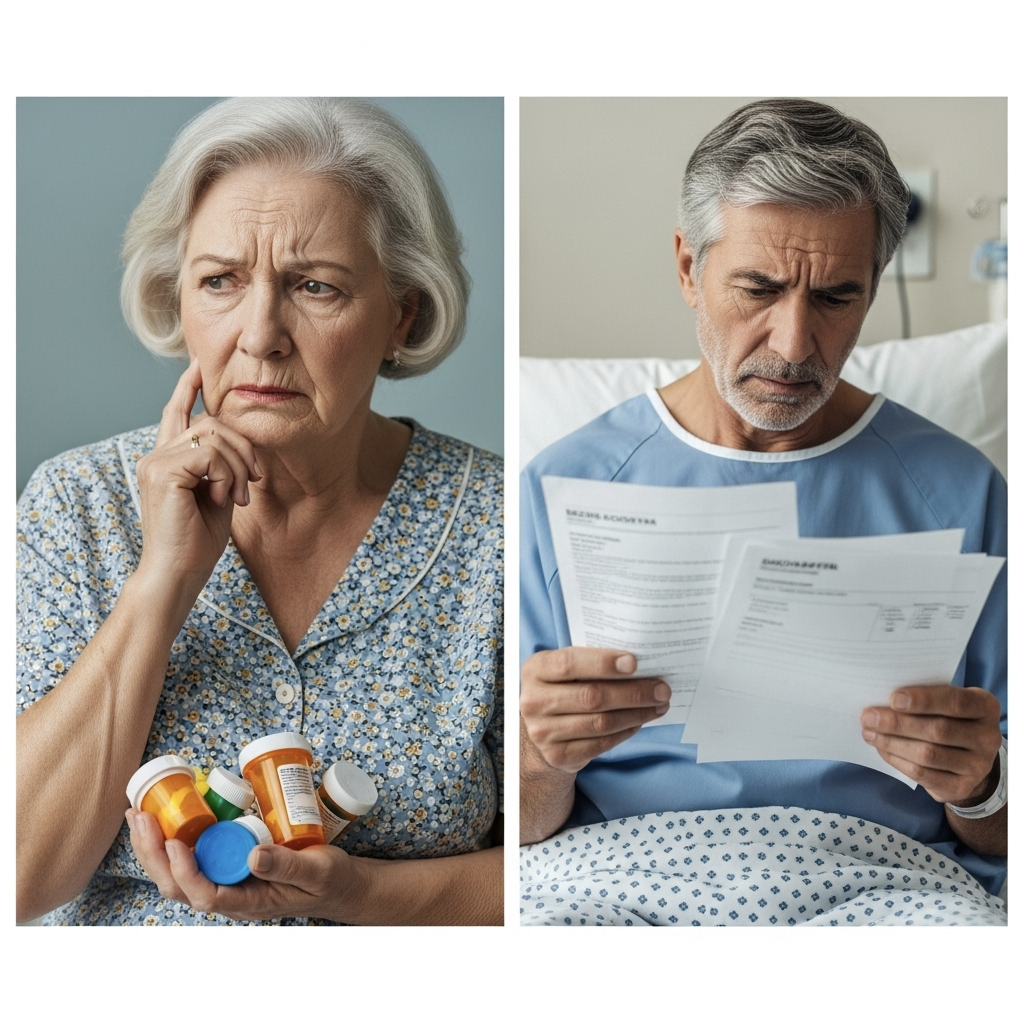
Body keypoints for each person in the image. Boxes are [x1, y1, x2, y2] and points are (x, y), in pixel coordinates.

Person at [17, 97, 503, 926]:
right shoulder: (78, 504)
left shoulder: (497, 523)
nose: (260, 334)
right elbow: (19, 875)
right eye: (220, 282)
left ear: (402, 314)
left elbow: (547, 861)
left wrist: (358, 893)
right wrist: (162, 582)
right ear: (179, 299)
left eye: (315, 286)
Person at [520, 99, 1006, 922]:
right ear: (688, 269)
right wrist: (542, 758)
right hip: (616, 878)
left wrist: (980, 785)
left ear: (873, 288)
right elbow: (526, 827)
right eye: (759, 288)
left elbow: (1001, 837)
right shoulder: (563, 488)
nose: (791, 344)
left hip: (885, 884)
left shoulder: (962, 492)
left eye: (837, 297)